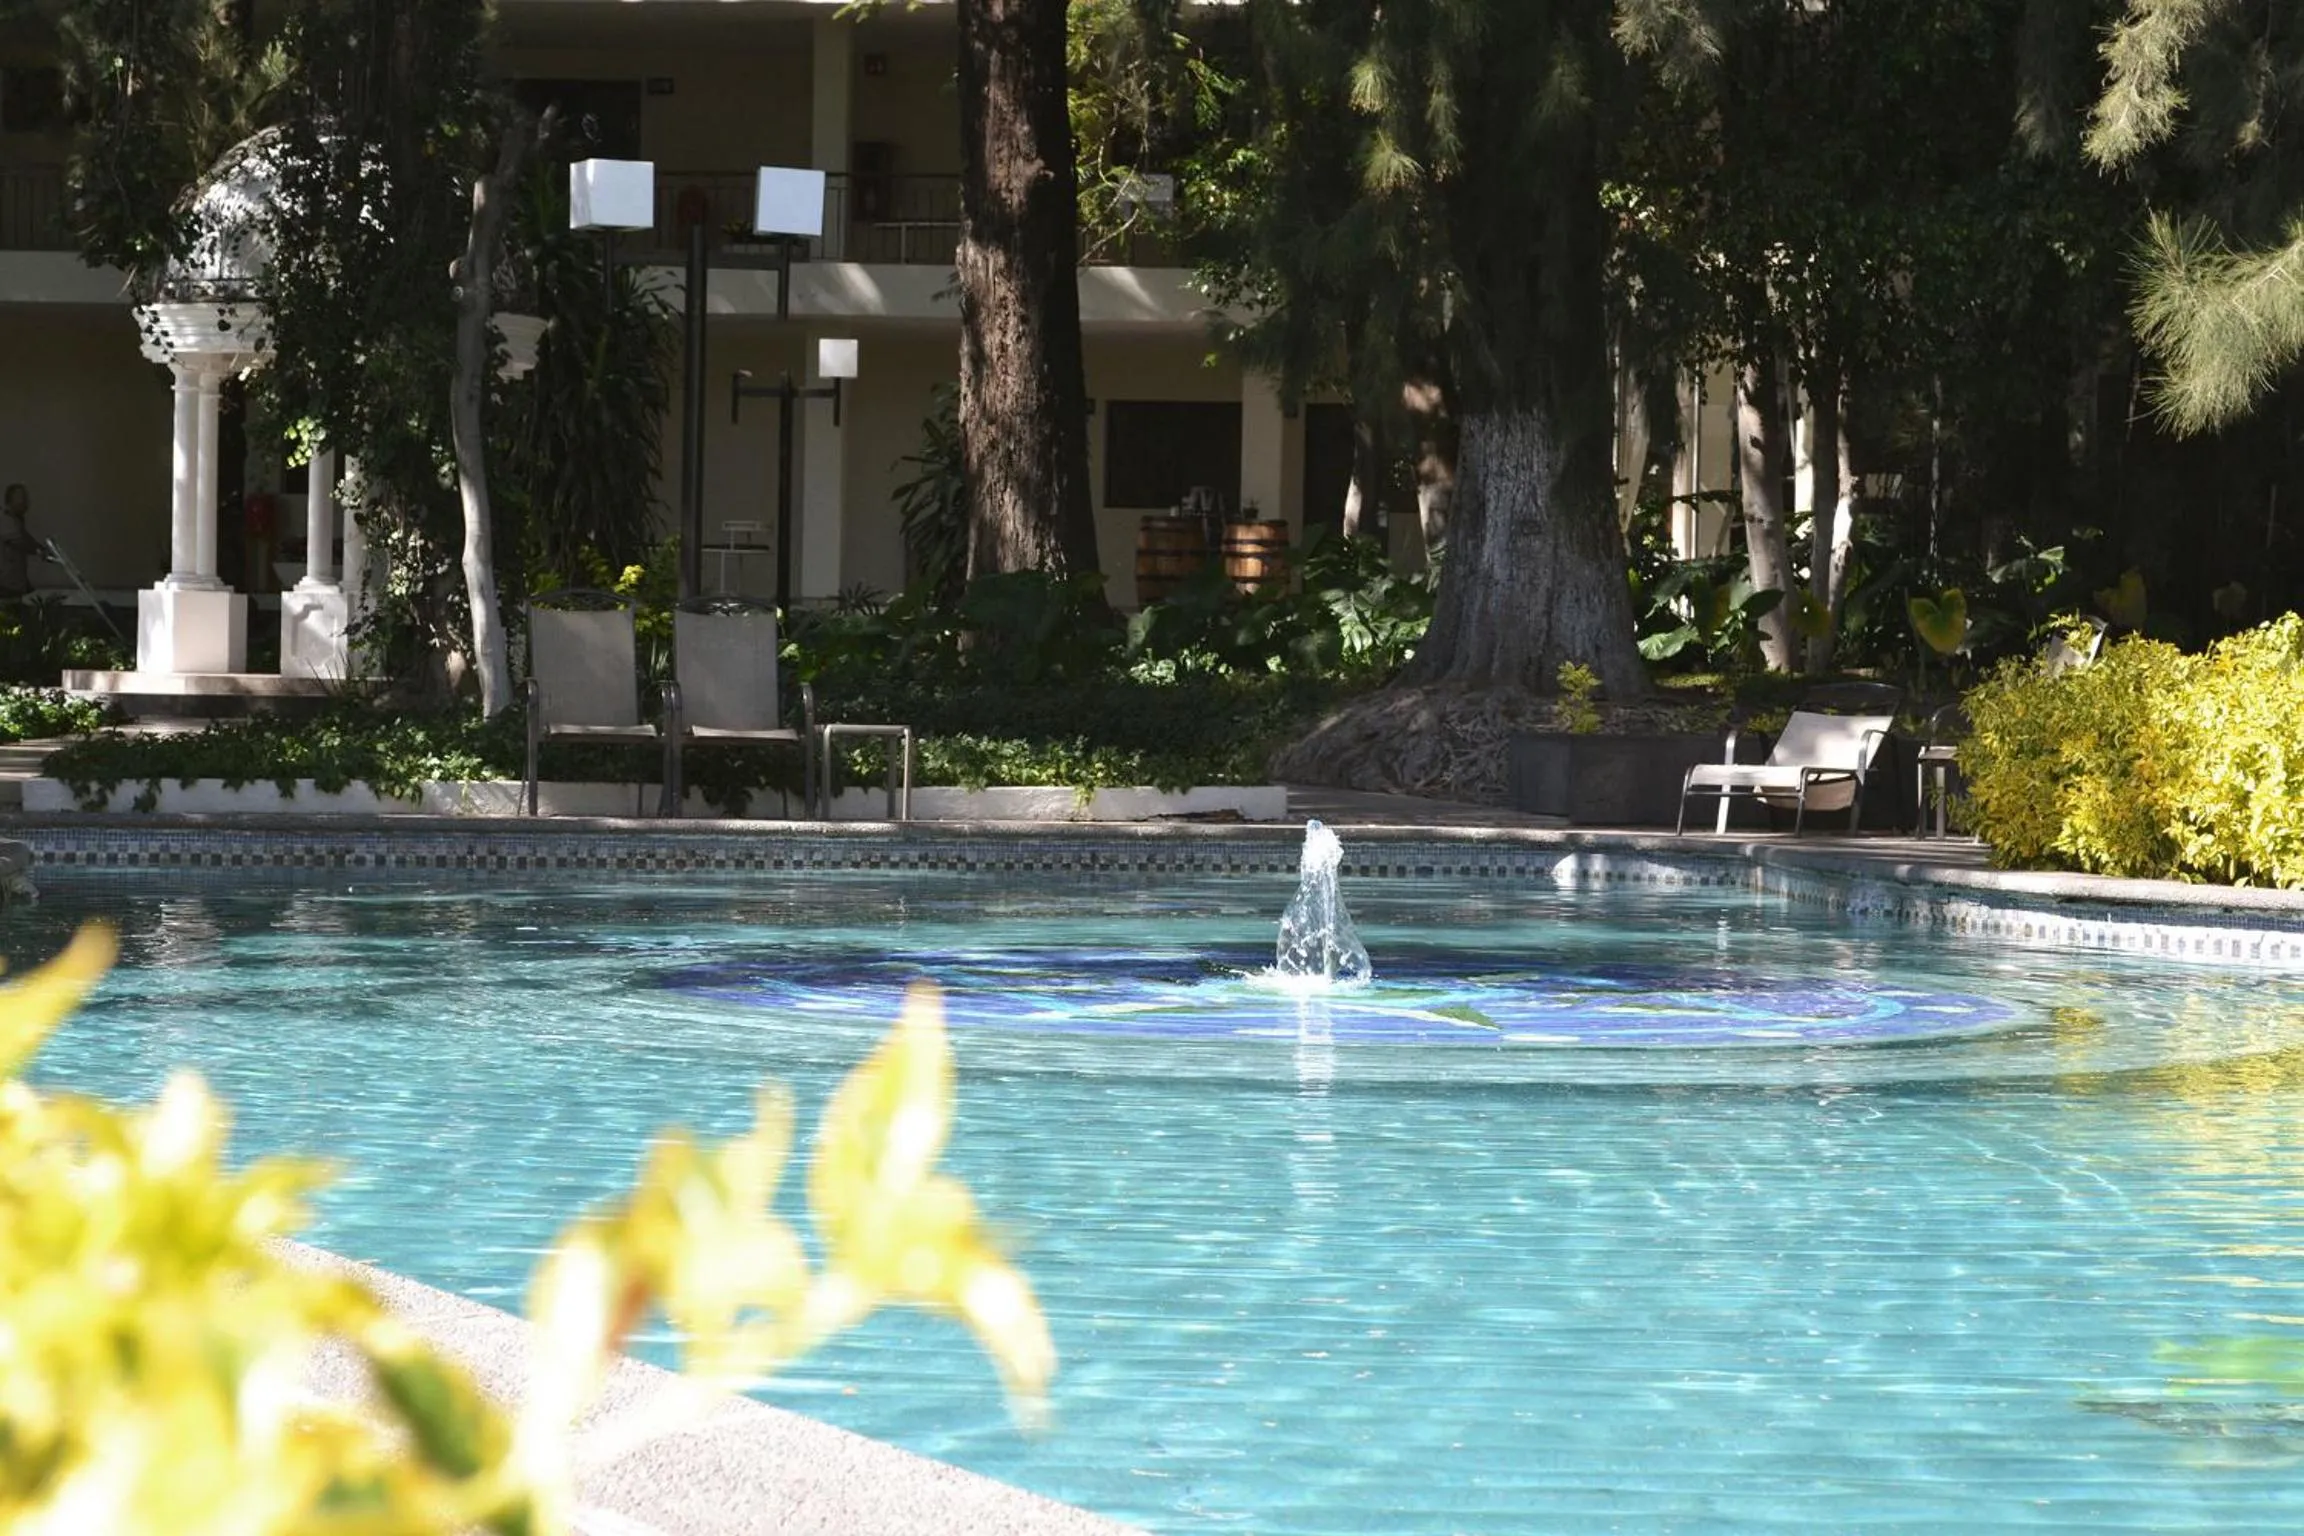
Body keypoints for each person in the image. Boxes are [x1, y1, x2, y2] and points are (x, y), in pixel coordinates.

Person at [0, 485, 38, 601]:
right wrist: (40, 551)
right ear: (10, 500)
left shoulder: (17, 521)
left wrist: (43, 548)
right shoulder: (5, 520)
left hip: (13, 585)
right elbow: (19, 542)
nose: (25, 502)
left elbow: (27, 539)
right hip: (5, 586)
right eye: (21, 497)